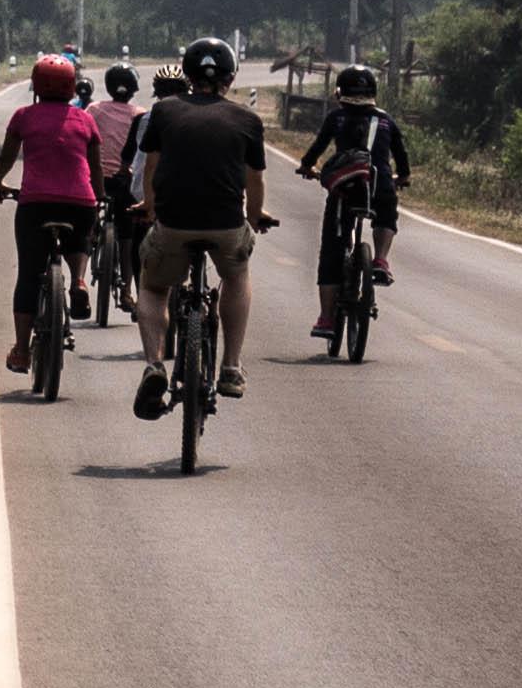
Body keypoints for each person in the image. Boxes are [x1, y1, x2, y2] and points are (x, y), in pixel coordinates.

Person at [131, 35, 276, 418]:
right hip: (226, 223)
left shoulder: (164, 112)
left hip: (174, 221)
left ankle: (154, 365)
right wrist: (255, 216)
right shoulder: (248, 120)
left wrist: (149, 207)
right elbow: (254, 180)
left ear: (188, 75)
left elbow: (151, 167)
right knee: (237, 275)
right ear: (230, 77)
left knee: (153, 286)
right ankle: (230, 366)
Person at [0, 53, 103, 375]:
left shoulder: (23, 117)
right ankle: (79, 279)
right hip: (80, 203)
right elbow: (94, 171)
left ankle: (22, 351)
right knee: (80, 238)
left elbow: (8, 157)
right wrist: (101, 198)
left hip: (35, 204)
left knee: (28, 275)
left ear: (36, 85)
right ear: (72, 88)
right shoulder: (86, 121)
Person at [296, 63, 411, 338]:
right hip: (379, 185)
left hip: (344, 191)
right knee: (386, 212)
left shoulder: (336, 118)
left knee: (331, 252)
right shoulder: (385, 121)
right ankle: (381, 260)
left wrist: (307, 168)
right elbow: (402, 159)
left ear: (339, 92)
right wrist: (402, 177)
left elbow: (315, 152)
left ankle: (326, 319)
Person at [89, 62, 150, 272]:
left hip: (96, 180)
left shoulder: (94, 109)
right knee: (128, 235)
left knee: (90, 210)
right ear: (133, 89)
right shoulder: (141, 114)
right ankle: (126, 289)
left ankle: (91, 232)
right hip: (127, 181)